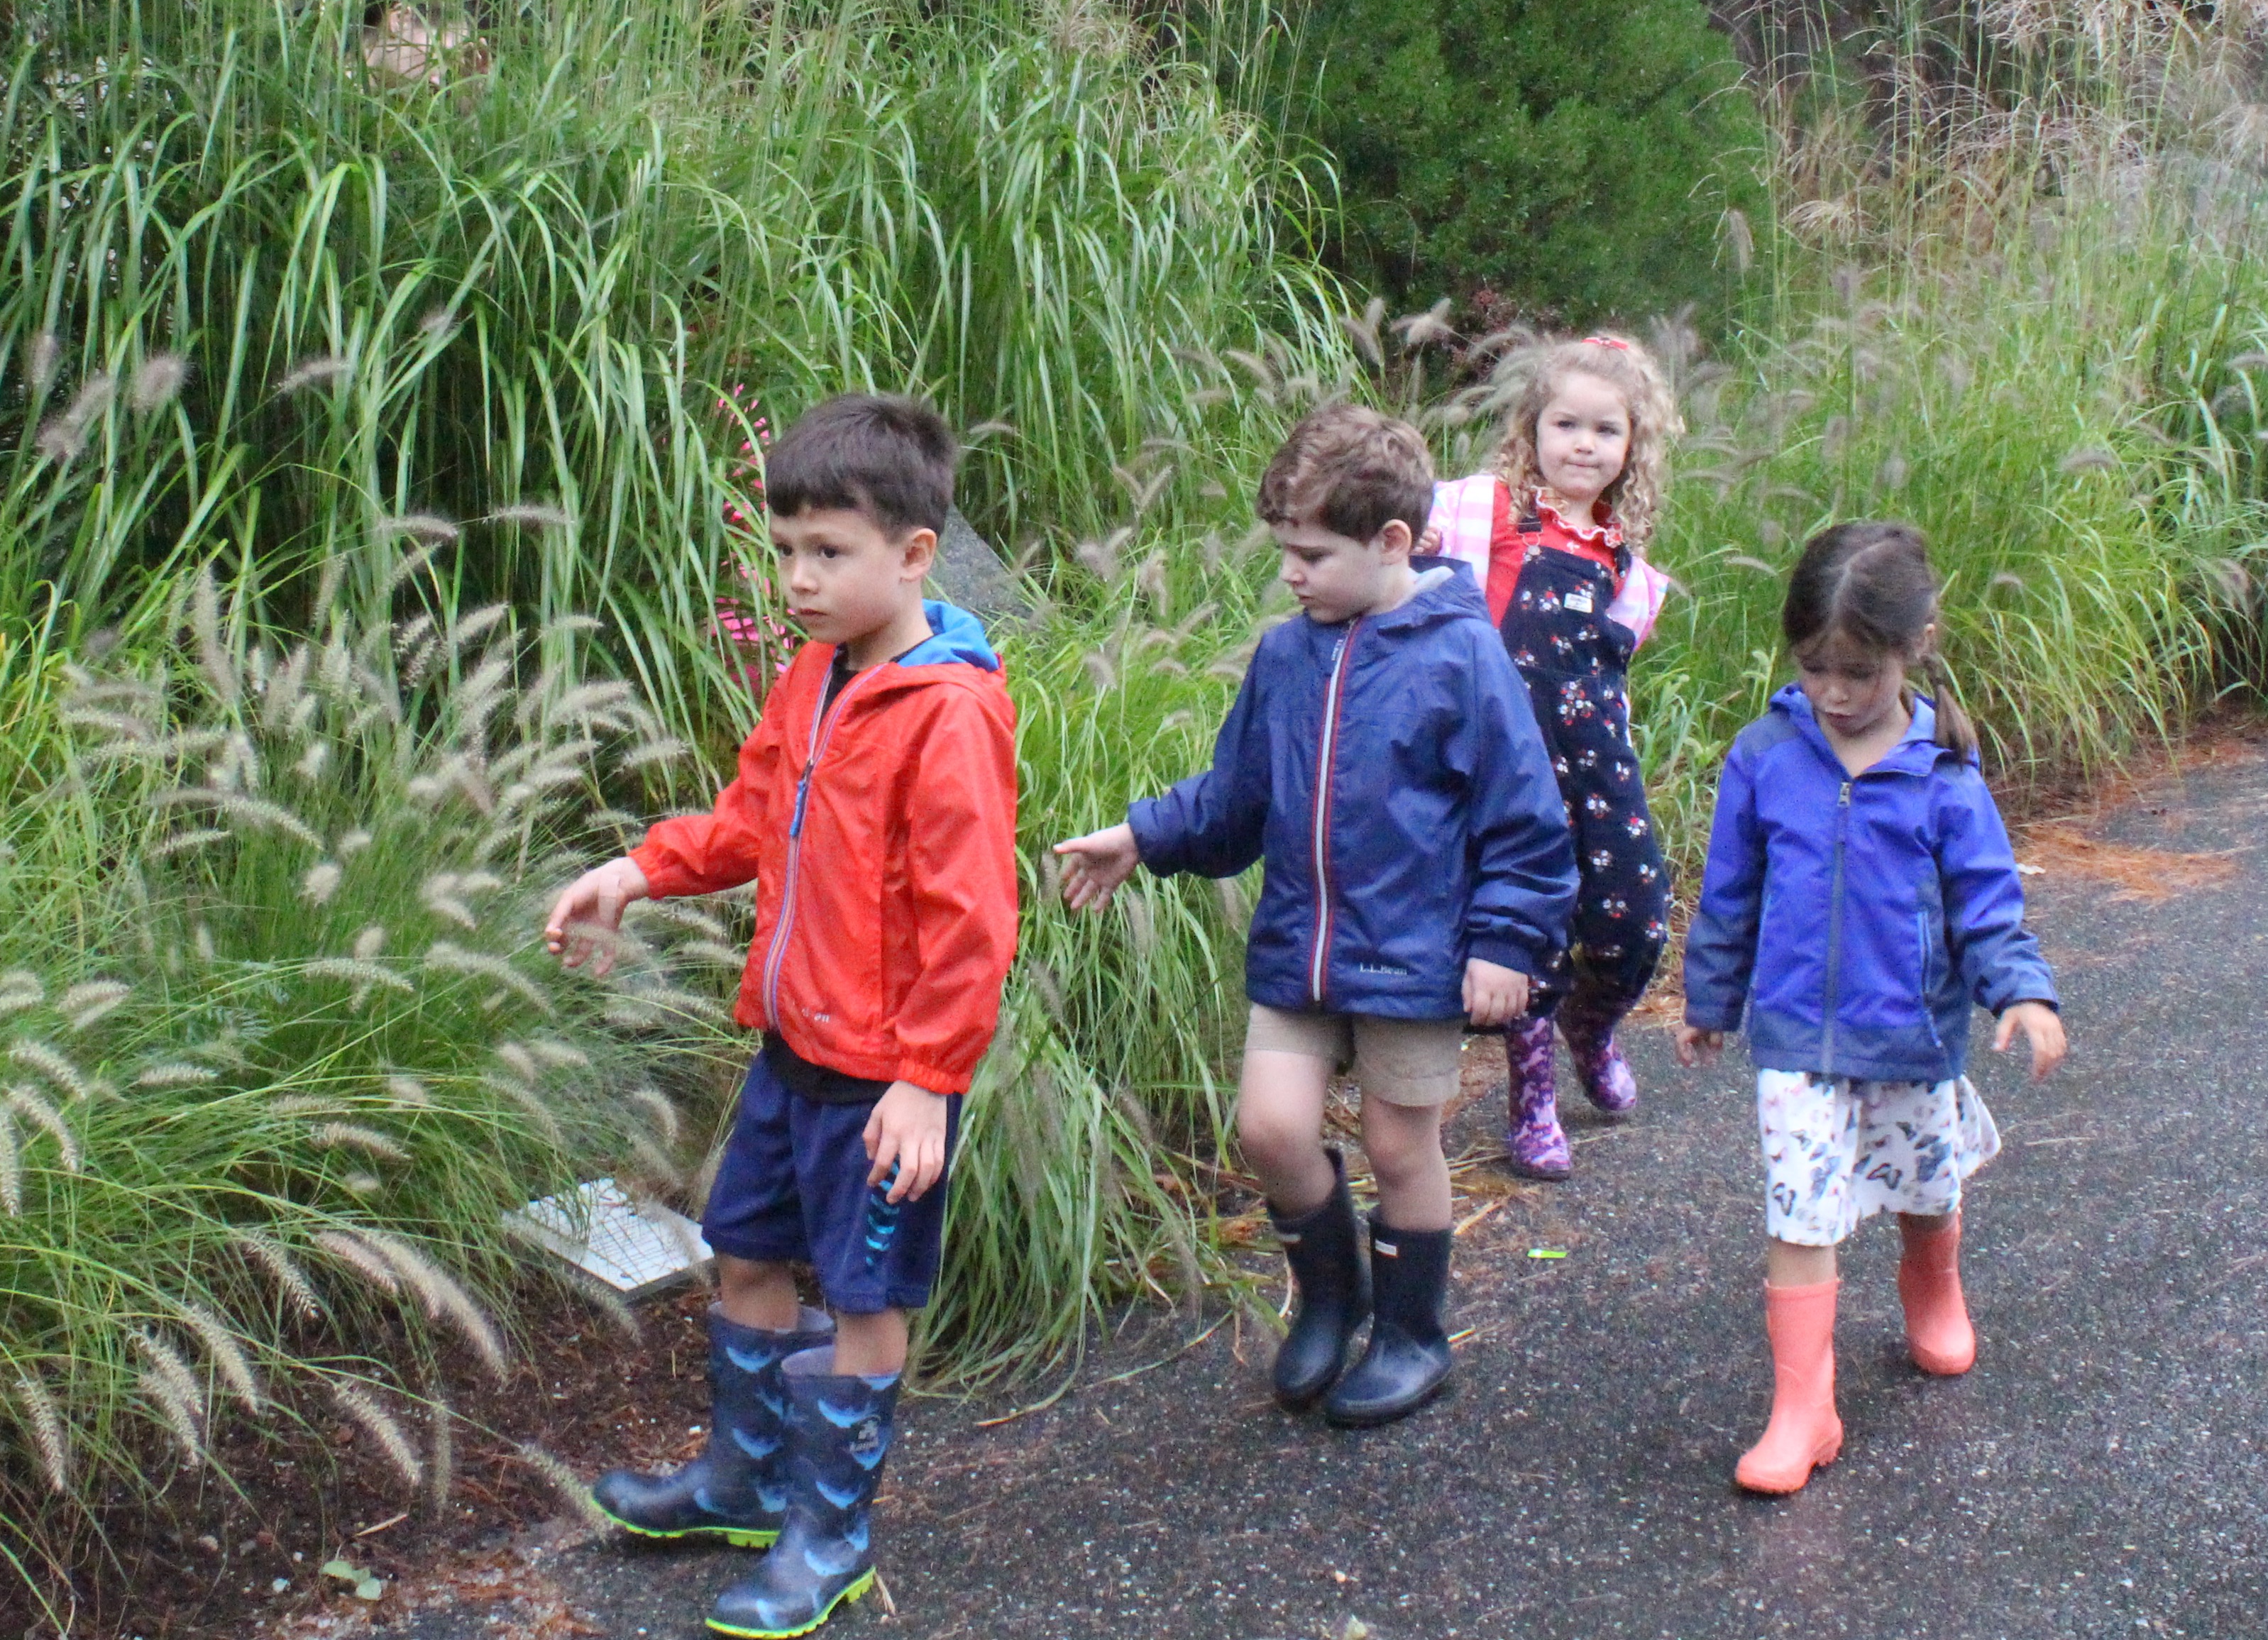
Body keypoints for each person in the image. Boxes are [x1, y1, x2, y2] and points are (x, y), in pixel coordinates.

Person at [543, 393, 1020, 1638]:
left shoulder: (948, 714)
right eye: (786, 550)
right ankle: (742, 1483)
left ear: (913, 556)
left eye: (827, 553)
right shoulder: (811, 678)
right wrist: (638, 870)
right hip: (790, 1048)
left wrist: (927, 1077)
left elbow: (972, 919)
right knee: (743, 1248)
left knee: (867, 1293)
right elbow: (752, 820)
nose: (797, 579)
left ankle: (830, 1531)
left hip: (884, 1079)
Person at [1052, 403, 1573, 1428]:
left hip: (1417, 958)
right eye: (1283, 550)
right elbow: (1235, 796)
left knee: (1397, 1144)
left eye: (1310, 554)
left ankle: (1415, 1333)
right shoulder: (1288, 657)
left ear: (1391, 543)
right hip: (1301, 946)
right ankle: (1332, 1299)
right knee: (1271, 1130)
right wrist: (1140, 836)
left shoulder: (1462, 660)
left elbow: (1524, 817)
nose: (1291, 574)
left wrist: (1508, 941)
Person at [1677, 519, 2067, 1497]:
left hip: (1912, 1035)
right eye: (1816, 669)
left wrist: (2021, 990)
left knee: (1924, 1185)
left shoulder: (1945, 773)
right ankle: (1804, 1407)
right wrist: (1710, 998)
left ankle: (1932, 1279)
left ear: (1916, 644)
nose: (1838, 695)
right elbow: (1729, 891)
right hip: (1797, 1039)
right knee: (1799, 1208)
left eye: (1860, 671)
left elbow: (1987, 903)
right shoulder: (1766, 754)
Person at [1423, 331, 1681, 1175]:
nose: (1583, 444)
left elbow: (1611, 683)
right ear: (1532, 429)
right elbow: (1396, 538)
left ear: (1632, 446)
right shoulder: (1482, 516)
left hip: (1597, 769)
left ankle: (1592, 1028)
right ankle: (1531, 1101)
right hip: (1505, 770)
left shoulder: (1630, 571)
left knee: (1634, 922)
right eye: (1566, 424)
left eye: (1606, 431)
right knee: (1524, 933)